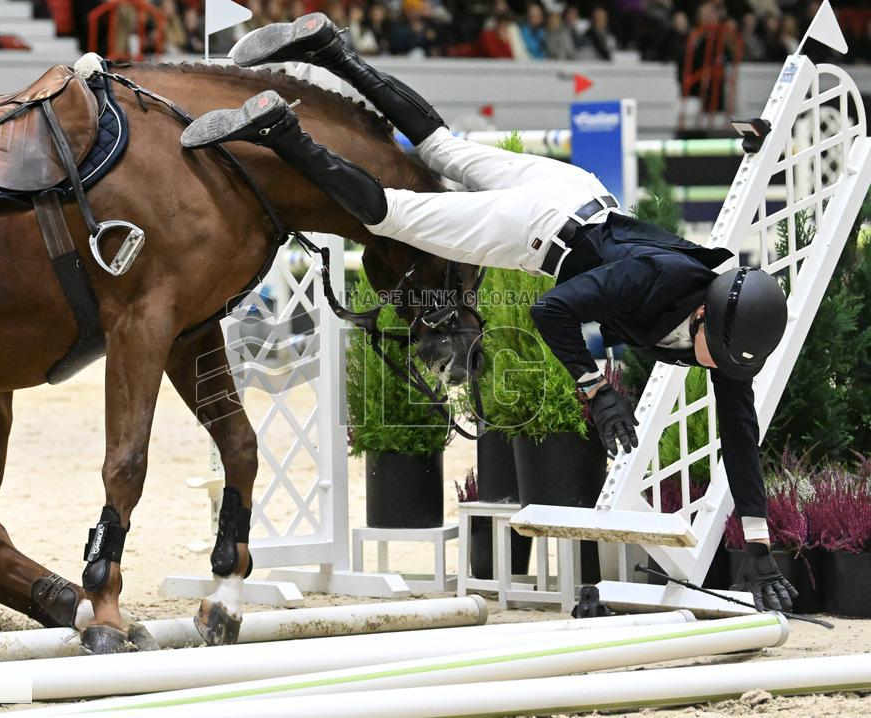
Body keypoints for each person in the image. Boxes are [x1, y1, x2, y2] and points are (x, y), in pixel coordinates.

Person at [184, 12, 799, 613]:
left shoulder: (721, 323)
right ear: (704, 317)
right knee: (391, 217)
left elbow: (739, 440)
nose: (713, 367)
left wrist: (759, 547)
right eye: (715, 354)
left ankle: (330, 50)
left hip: (578, 191)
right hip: (537, 230)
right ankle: (281, 131)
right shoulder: (655, 278)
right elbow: (553, 311)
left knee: (442, 148)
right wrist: (597, 391)